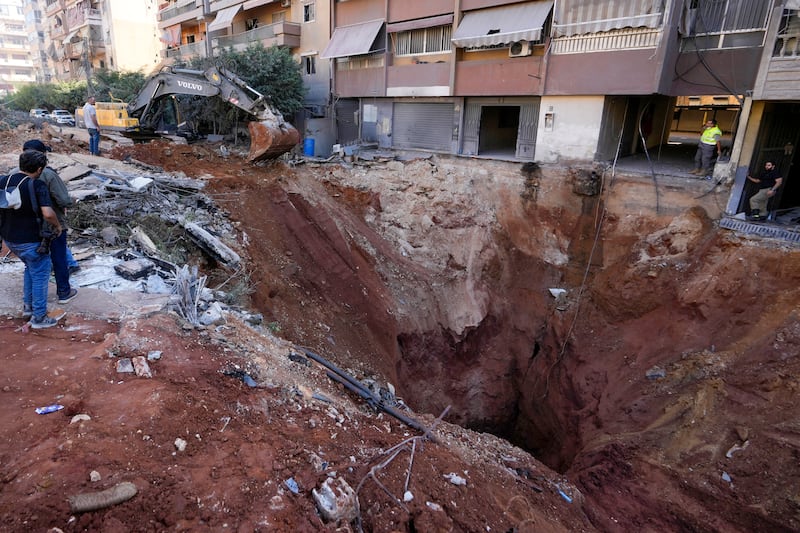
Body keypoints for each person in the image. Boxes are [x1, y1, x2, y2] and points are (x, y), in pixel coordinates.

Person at [0, 150, 64, 328]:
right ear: (39, 168)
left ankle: (28, 307)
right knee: (40, 275)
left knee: (30, 268)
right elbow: (48, 214)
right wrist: (58, 227)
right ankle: (39, 317)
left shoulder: (4, 180)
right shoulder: (37, 185)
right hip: (31, 240)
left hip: (10, 238)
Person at [11, 139, 78, 304]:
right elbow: (63, 200)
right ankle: (63, 292)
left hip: (25, 229)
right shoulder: (47, 174)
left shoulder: (13, 174)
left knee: (32, 266)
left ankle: (30, 301)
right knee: (59, 258)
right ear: (41, 156)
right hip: (51, 225)